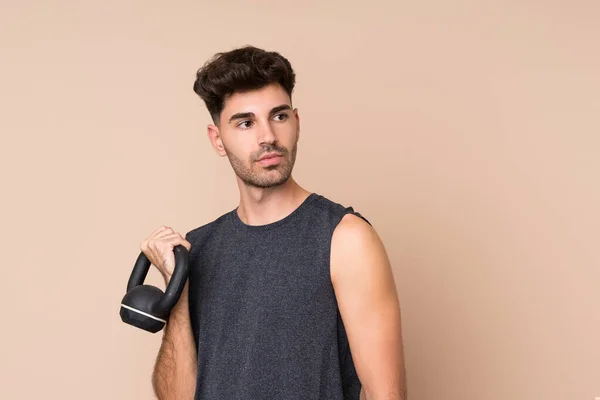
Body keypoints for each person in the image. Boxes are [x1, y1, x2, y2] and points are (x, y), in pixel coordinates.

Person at [139, 45, 406, 400]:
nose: (267, 137)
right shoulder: (199, 247)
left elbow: (385, 393)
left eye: (279, 116)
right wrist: (179, 291)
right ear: (217, 139)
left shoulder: (345, 239)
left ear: (297, 122)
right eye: (246, 123)